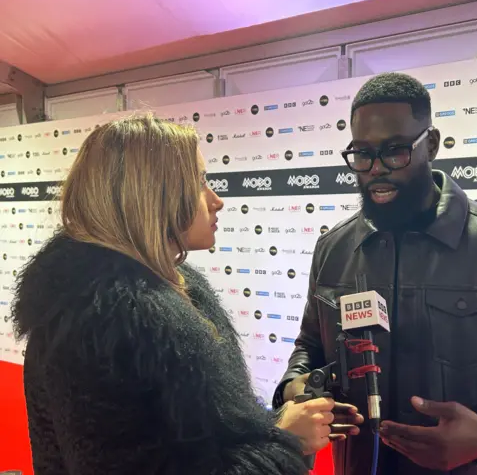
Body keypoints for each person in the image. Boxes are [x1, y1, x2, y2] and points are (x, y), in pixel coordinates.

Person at [273, 72, 477, 475]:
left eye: (395, 151)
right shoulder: (334, 248)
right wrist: (296, 389)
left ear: (430, 144)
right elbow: (310, 345)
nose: (376, 170)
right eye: (362, 154)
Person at [10, 115, 338, 475]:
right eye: (199, 182)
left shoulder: (167, 295)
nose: (217, 200)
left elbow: (212, 435)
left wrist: (279, 421)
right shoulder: (100, 330)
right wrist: (285, 440)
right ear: (154, 196)